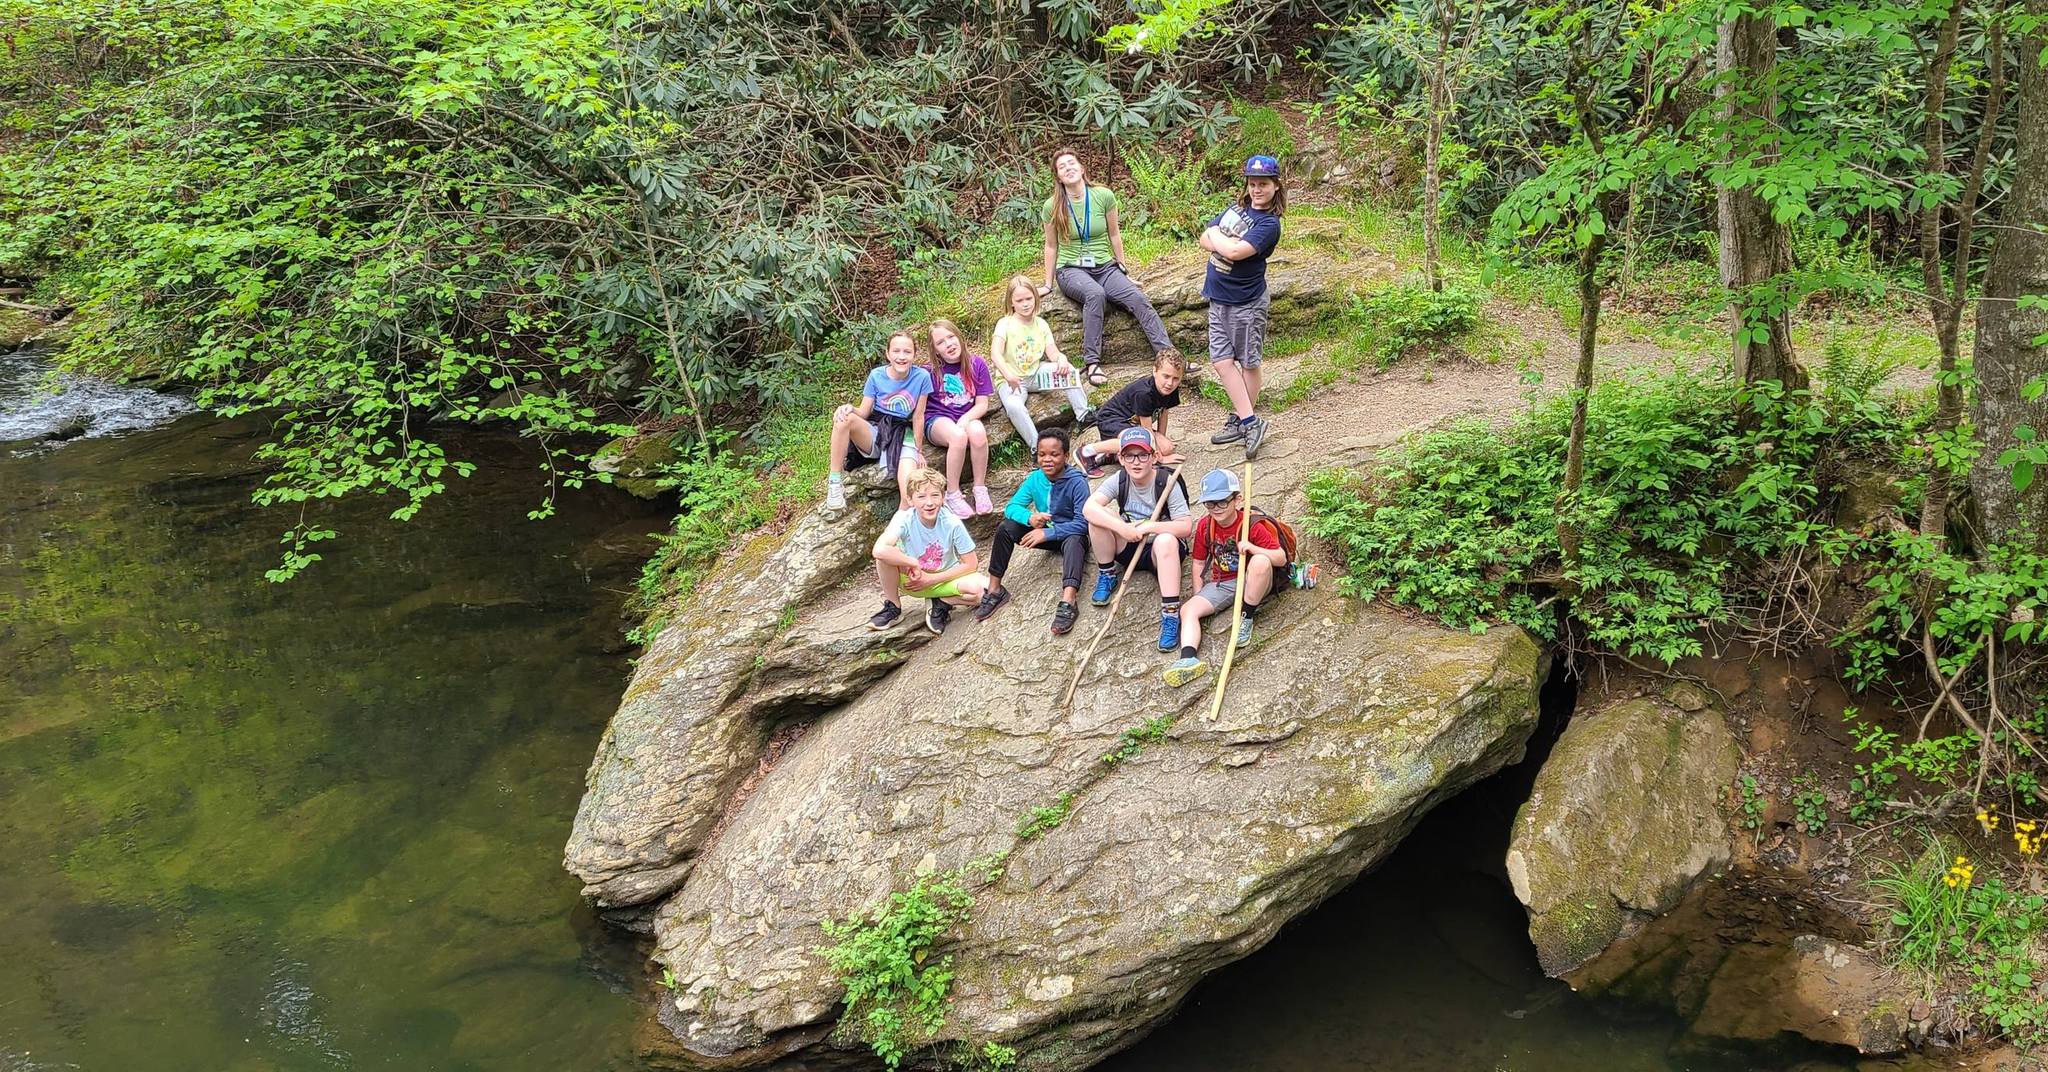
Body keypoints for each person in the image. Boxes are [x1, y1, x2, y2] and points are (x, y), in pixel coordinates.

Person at [1042, 148, 1174, 386]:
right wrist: (1047, 284)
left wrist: (1124, 271)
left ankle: (1170, 359)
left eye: (1072, 163)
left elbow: (1114, 235)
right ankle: (1092, 363)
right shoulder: (1052, 206)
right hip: (1071, 269)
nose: (1068, 168)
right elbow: (1051, 246)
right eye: (1062, 167)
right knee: (1095, 294)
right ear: (1058, 177)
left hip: (1105, 266)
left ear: (1082, 168)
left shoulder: (1103, 195)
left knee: (1137, 298)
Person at [1164, 468, 1285, 687]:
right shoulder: (1205, 525)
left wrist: (1253, 548)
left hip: (1253, 579)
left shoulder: (1251, 525)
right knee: (1188, 610)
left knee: (1260, 562)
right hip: (1224, 583)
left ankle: (1245, 618)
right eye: (1210, 504)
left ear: (1237, 499)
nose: (1216, 509)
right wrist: (1198, 591)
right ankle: (1188, 659)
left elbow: (1280, 558)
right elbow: (1199, 561)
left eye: (1222, 502)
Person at [1199, 154, 1286, 461]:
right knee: (1222, 362)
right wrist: (1218, 239)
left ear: (1276, 186)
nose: (1256, 190)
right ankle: (1247, 419)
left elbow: (1235, 250)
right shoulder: (1238, 209)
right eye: (1252, 183)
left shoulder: (1269, 225)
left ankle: (1245, 420)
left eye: (1263, 184)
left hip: (1246, 302)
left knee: (1248, 362)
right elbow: (1203, 236)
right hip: (1218, 296)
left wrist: (1218, 239)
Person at [1081, 427, 1194, 652]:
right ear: (1121, 459)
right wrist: (1122, 528)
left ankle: (1171, 614)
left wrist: (1150, 526)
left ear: (1154, 457)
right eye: (1129, 455)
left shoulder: (1167, 481)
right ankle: (1107, 573)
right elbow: (1089, 508)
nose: (1136, 462)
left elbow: (1185, 526)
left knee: (1166, 541)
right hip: (1129, 543)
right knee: (1098, 520)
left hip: (1161, 553)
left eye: (1143, 455)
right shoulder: (1120, 479)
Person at [975, 427, 1092, 635]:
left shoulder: (1077, 482)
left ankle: (1068, 600)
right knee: (1006, 528)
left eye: (1054, 454)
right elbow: (1012, 508)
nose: (1047, 459)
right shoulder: (1035, 479)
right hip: (1046, 531)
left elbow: (1082, 523)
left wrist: (1048, 533)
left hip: (1069, 534)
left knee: (1075, 539)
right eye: (1042, 454)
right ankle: (995, 590)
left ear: (1066, 456)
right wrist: (1029, 518)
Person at [869, 468, 987, 635]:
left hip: (945, 578)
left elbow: (971, 563)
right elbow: (879, 550)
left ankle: (941, 601)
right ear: (910, 500)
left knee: (986, 593)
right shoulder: (903, 518)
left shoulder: (952, 523)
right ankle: (893, 606)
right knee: (884, 557)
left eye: (935, 495)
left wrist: (931, 580)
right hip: (912, 579)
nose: (929, 503)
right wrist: (912, 563)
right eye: (921, 496)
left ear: (943, 497)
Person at [827, 330, 930, 510]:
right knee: (844, 418)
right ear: (887, 354)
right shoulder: (876, 375)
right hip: (878, 429)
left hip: (903, 432)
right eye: (896, 351)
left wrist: (918, 450)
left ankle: (900, 529)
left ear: (914, 354)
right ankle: (835, 482)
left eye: (907, 352)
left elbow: (918, 416)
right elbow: (864, 412)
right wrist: (849, 408)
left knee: (909, 489)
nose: (901, 356)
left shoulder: (921, 377)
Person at [990, 274, 1093, 448]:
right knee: (1014, 406)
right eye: (1020, 300)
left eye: (1029, 298)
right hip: (1012, 380)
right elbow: (995, 353)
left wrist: (1061, 358)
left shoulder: (1041, 324)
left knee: (1069, 370)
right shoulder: (1005, 323)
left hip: (1035, 373)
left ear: (1035, 298)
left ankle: (1083, 415)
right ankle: (1036, 446)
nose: (1025, 304)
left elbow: (1052, 352)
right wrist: (1008, 375)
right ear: (1011, 302)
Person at [924, 318, 998, 518]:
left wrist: (965, 419)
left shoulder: (977, 363)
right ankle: (952, 493)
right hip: (937, 420)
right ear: (935, 349)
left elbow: (982, 404)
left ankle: (980, 488)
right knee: (958, 436)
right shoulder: (929, 372)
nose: (948, 344)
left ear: (959, 336)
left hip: (965, 416)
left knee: (978, 432)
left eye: (951, 337)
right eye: (940, 342)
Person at [1076, 348, 1184, 475]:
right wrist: (1159, 458)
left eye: (1176, 378)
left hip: (1132, 424)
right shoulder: (1144, 393)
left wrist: (1161, 440)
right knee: (1139, 442)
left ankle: (1112, 453)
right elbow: (1146, 432)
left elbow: (1164, 413)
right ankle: (1086, 452)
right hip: (1111, 419)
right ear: (1155, 371)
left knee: (1167, 447)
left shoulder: (1170, 389)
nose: (1170, 383)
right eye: (1166, 376)